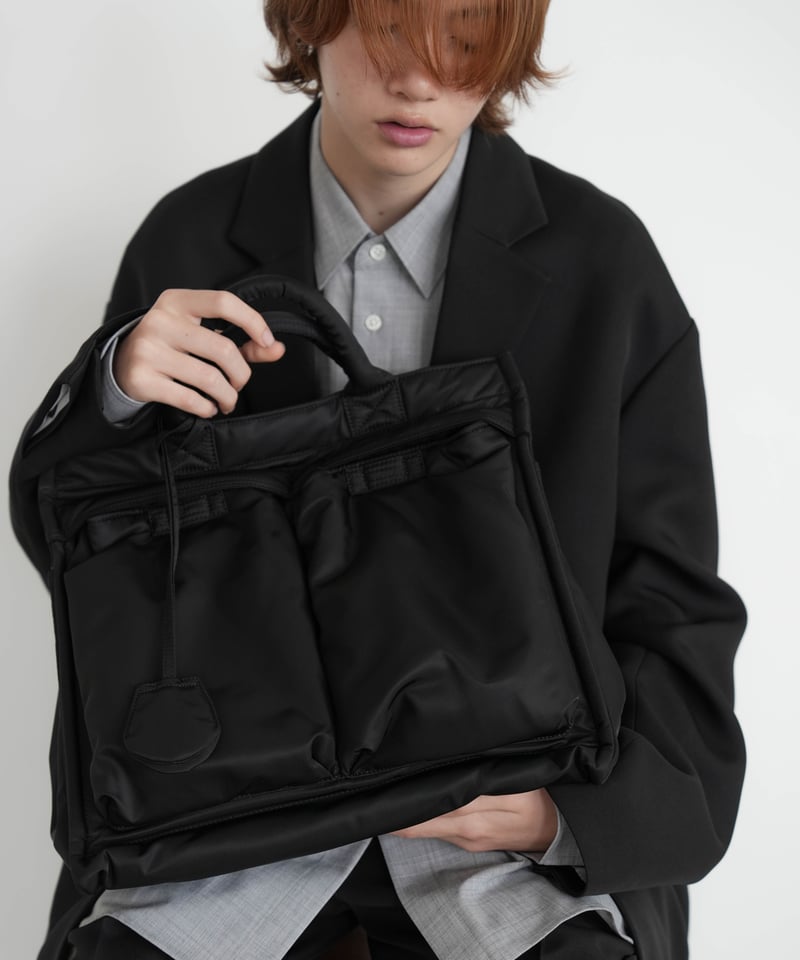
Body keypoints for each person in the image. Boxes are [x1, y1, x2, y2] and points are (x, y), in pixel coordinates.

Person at [9, 1, 746, 958]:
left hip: (503, 829)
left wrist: (565, 816)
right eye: (391, 32)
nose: (420, 81)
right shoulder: (190, 239)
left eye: (467, 40)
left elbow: (670, 596)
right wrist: (110, 391)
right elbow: (92, 579)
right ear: (311, 21)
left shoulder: (602, 263)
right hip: (232, 822)